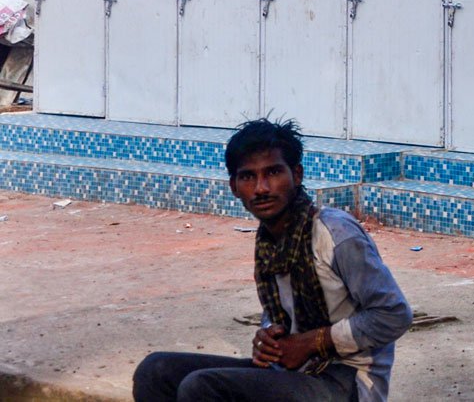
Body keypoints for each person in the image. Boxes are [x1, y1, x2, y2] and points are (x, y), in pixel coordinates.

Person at [133, 118, 413, 401]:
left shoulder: (335, 233)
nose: (261, 188)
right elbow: (282, 315)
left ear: (297, 175)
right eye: (248, 177)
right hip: (291, 371)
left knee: (201, 388)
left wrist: (313, 342)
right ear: (234, 186)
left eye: (273, 172)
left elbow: (393, 314)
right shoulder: (269, 243)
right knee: (155, 371)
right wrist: (268, 337)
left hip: (347, 379)